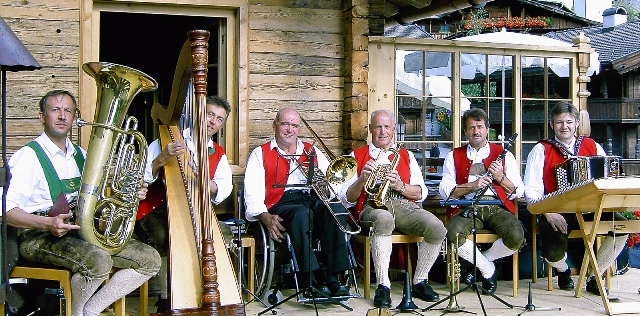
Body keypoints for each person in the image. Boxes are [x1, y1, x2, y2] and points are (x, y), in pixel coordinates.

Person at [3, 90, 160, 316]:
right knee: (98, 260)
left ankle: (89, 311)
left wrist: (129, 192)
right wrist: (46, 223)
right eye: (55, 110)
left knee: (150, 260)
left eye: (68, 110)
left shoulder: (81, 155)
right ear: (41, 116)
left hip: (80, 230)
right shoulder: (28, 156)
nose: (62, 116)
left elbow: (102, 196)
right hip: (38, 236)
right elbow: (5, 211)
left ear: (75, 117)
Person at [339, 109, 446, 307]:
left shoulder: (405, 155)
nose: (382, 131)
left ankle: (420, 280)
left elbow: (420, 192)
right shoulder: (358, 155)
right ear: (370, 129)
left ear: (394, 129)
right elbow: (347, 199)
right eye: (378, 126)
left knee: (437, 228)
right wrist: (362, 179)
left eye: (387, 126)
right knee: (384, 219)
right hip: (371, 205)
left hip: (403, 204)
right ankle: (383, 285)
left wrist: (400, 186)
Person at [137, 96, 233, 312]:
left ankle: (201, 293)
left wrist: (205, 182)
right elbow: (141, 176)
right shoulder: (167, 138)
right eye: (210, 114)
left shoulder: (218, 153)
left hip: (194, 210)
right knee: (165, 236)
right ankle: (166, 298)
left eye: (219, 119)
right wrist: (162, 158)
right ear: (198, 113)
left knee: (217, 236)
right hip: (157, 208)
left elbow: (223, 188)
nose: (213, 122)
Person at [243, 107, 351, 298]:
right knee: (302, 214)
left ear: (299, 129)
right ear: (274, 126)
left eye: (294, 125)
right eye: (285, 124)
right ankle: (310, 279)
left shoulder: (311, 151)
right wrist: (265, 216)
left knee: (334, 210)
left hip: (310, 200)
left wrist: (326, 185)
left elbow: (332, 185)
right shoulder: (260, 153)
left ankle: (334, 278)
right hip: (281, 204)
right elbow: (252, 194)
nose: (289, 129)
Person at [524, 101, 628, 294]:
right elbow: (531, 190)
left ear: (577, 123)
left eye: (569, 122)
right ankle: (563, 271)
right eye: (559, 122)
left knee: (622, 227)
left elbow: (606, 178)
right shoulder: (541, 150)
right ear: (551, 125)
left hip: (591, 209)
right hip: (557, 210)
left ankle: (594, 276)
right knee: (553, 252)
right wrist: (548, 212)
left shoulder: (592, 146)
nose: (565, 127)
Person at [439, 108, 525, 295]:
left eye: (479, 127)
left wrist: (500, 178)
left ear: (487, 129)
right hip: (469, 206)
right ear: (465, 132)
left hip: (497, 207)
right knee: (452, 234)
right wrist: (472, 185)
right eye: (471, 128)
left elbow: (518, 191)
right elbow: (445, 190)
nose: (476, 131)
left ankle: (480, 265)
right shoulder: (453, 156)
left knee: (517, 236)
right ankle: (488, 270)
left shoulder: (504, 154)